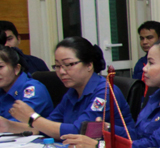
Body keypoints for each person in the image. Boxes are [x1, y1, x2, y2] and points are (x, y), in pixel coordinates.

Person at [62, 37, 160, 148]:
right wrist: (108, 129)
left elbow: (154, 145)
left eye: (151, 63)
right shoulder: (156, 96)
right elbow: (138, 134)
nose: (144, 68)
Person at [0, 37, 136, 138]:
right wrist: (8, 125)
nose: (62, 72)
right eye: (58, 66)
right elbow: (48, 126)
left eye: (69, 65)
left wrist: (33, 117)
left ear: (89, 65)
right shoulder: (72, 92)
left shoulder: (105, 91)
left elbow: (81, 131)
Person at [0, 46, 53, 121]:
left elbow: (19, 122)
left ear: (16, 69)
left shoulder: (33, 89)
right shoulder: (2, 89)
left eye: (0, 67)